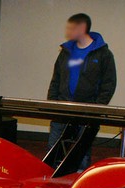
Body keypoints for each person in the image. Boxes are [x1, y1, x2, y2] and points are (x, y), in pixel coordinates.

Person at [47, 13, 116, 170]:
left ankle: (79, 184)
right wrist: (52, 103)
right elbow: (56, 79)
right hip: (62, 108)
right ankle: (49, 181)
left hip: (87, 111)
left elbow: (109, 84)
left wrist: (96, 108)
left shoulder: (103, 54)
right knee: (53, 148)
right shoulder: (65, 52)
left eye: (71, 28)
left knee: (81, 152)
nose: (68, 31)